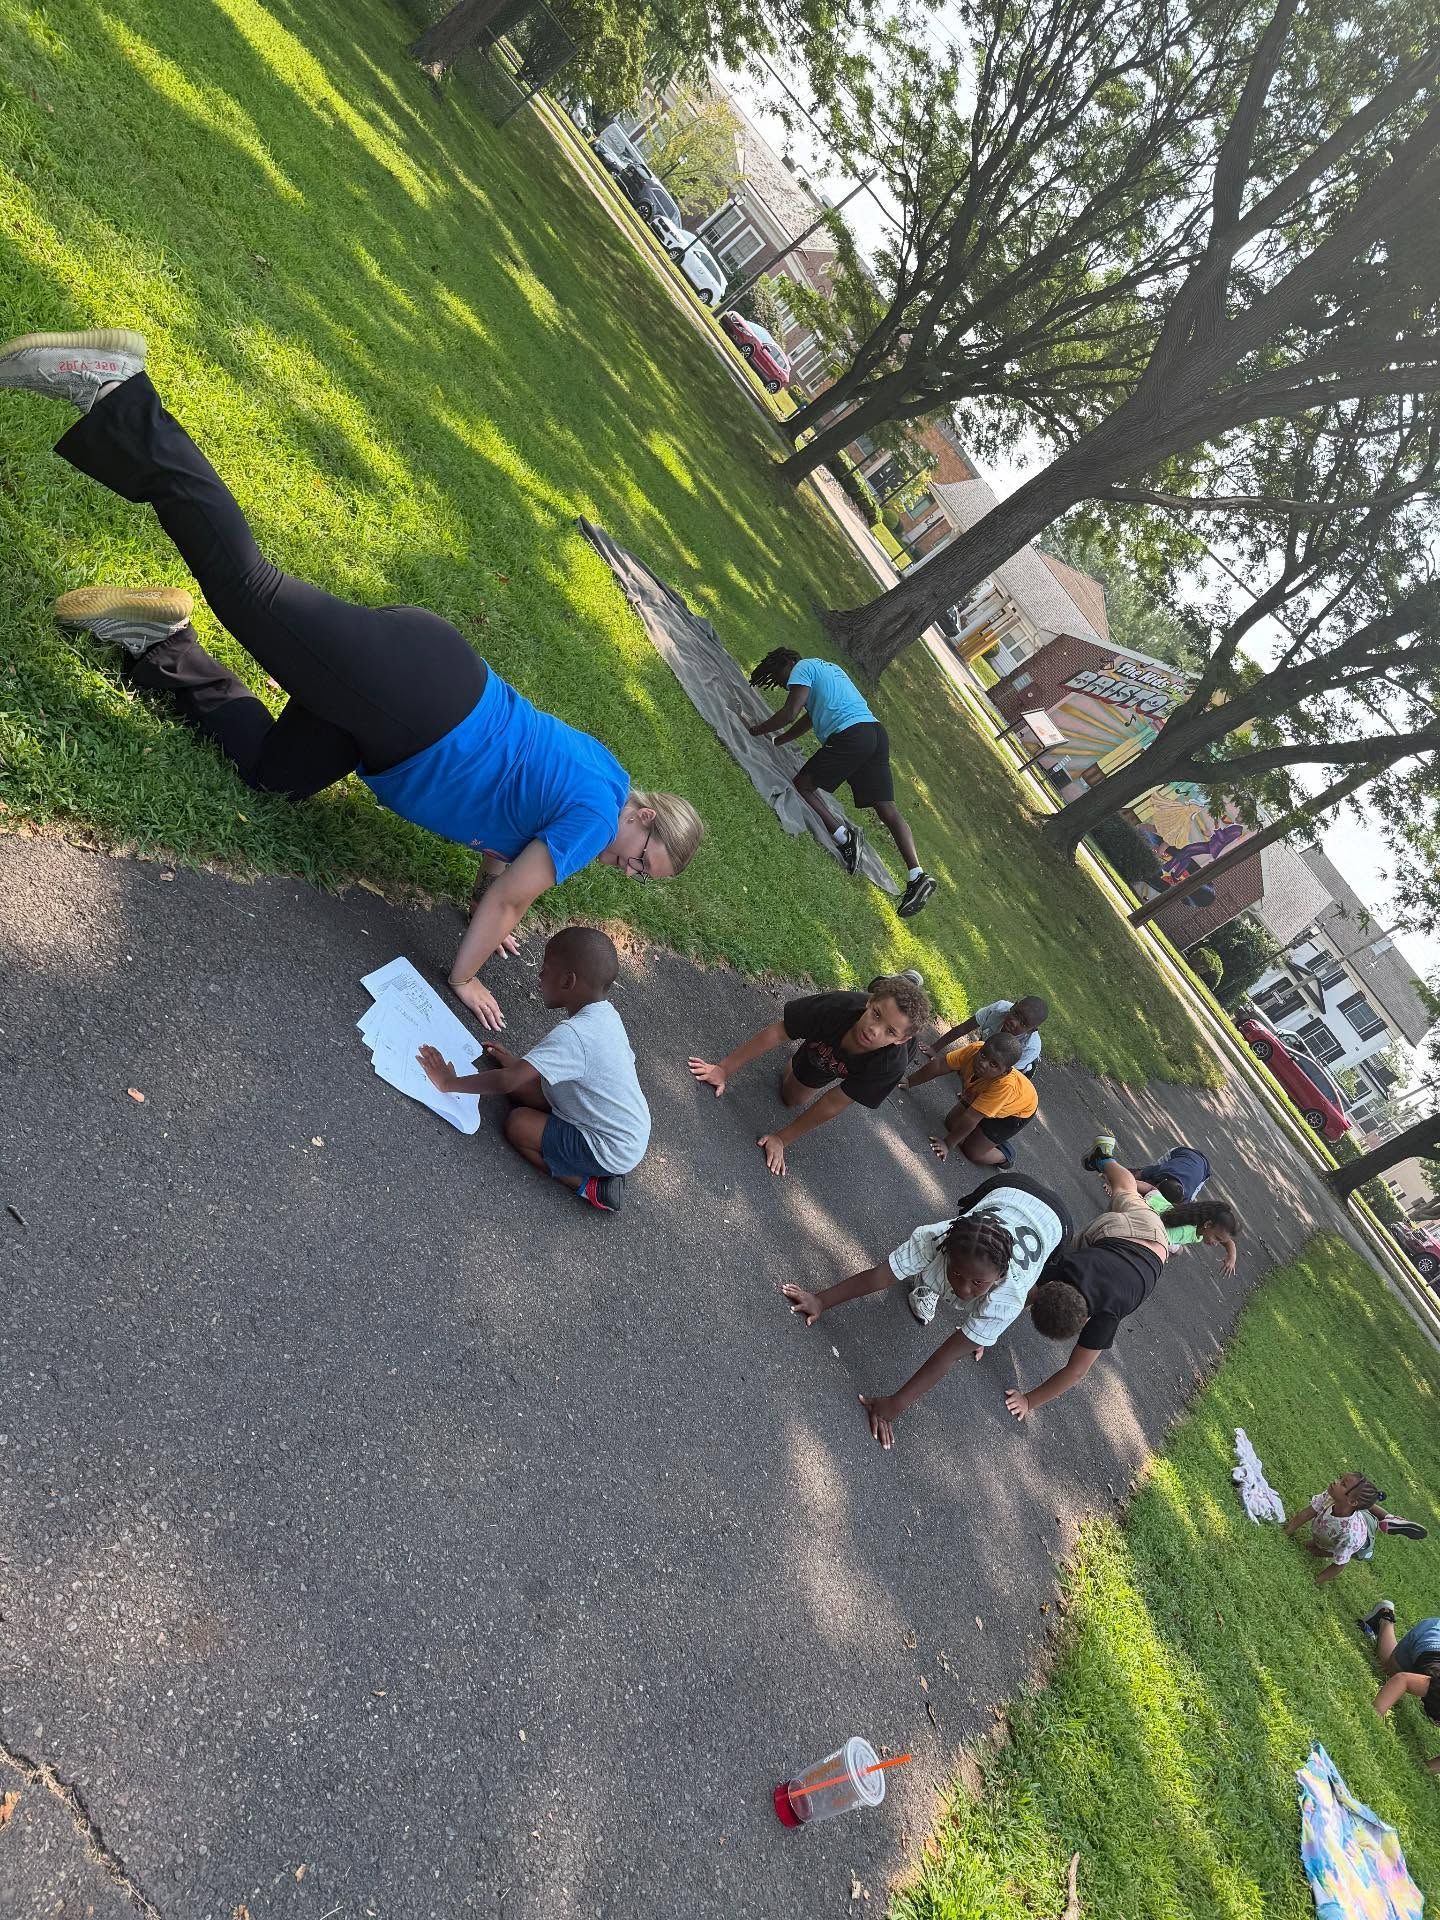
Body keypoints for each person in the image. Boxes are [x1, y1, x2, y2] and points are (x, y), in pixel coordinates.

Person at [0, 328, 703, 1033]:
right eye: (644, 859)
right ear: (643, 817)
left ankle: (160, 638)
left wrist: (486, 905)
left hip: (409, 705)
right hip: (414, 701)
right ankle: (118, 392)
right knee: (250, 588)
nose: (630, 871)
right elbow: (514, 899)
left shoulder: (599, 782)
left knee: (277, 774)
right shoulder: (592, 819)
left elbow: (502, 860)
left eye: (643, 877)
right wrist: (466, 973)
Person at [780, 1174, 1073, 1450]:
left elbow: (947, 1354)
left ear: (998, 1277)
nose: (964, 1288)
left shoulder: (1008, 1297)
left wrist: (896, 1404)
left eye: (978, 1283)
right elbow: (879, 1277)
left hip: (1056, 1223)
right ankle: (931, 1285)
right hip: (1008, 1189)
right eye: (955, 1273)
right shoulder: (936, 1238)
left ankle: (982, 1329)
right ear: (945, 1251)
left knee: (989, 1314)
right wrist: (820, 1300)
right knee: (965, 1239)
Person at [416, 926, 647, 1212]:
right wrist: (519, 1064)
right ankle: (574, 1150)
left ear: (568, 981)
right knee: (527, 1089)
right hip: (617, 1124)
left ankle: (591, 1187)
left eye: (545, 969)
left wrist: (448, 1082)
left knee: (519, 1125)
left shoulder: (575, 1035)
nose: (539, 976)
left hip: (606, 1146)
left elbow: (506, 1082)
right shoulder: (606, 1017)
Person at [745, 648, 935, 918]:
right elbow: (808, 719)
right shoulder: (826, 669)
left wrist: (756, 730)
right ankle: (917, 874)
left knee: (803, 784)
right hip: (875, 733)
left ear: (790, 662)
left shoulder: (802, 668)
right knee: (887, 810)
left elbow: (790, 713)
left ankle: (845, 837)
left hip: (852, 735)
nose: (785, 684)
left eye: (781, 677)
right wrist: (779, 740)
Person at [687, 974, 929, 1176]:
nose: (874, 1031)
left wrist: (782, 1139)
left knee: (799, 1091)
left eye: (889, 1031)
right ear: (870, 1001)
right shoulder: (836, 1006)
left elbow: (836, 1101)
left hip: (861, 1064)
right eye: (876, 1014)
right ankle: (900, 983)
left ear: (901, 1039)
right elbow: (779, 1033)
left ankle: (906, 984)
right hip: (835, 1037)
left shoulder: (891, 1066)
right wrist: (723, 1069)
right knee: (793, 1092)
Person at [1002, 1161, 1172, 1421]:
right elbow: (1077, 1371)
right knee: (1125, 1189)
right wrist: (1027, 1401)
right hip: (1137, 1236)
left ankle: (1105, 1161)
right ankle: (1105, 1160)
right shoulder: (1101, 1305)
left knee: (1124, 1190)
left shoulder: (1100, 1305)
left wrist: (984, 1333)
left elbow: (1028, 1293)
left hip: (1145, 1240)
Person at [1082, 1134, 1239, 1273]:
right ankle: (1106, 1163)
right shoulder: (1183, 1227)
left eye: (1219, 1240)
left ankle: (1107, 1166)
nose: (1216, 1243)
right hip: (1144, 1212)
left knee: (1178, 1250)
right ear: (1208, 1225)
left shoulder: (1194, 1215)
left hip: (1154, 1201)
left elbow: (1152, 1190)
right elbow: (1146, 1181)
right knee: (1132, 1185)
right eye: (1217, 1239)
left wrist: (1232, 1256)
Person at [904, 1031, 1038, 1166]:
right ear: (981, 1047)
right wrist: (909, 1082)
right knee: (951, 1123)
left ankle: (1006, 1155)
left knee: (972, 1152)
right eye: (984, 1054)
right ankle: (983, 1136)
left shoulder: (1004, 1086)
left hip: (1016, 1113)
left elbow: (972, 1117)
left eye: (993, 1064)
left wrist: (947, 1144)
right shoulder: (974, 1050)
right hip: (985, 1096)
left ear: (1005, 1072)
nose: (983, 1064)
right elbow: (939, 1065)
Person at [1285, 1475, 1429, 1584]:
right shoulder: (1331, 1496)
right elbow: (1306, 1513)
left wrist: (1316, 1581)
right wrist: (1286, 1532)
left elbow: (1339, 1564)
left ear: (1352, 1500)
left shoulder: (1349, 1536)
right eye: (1340, 1478)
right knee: (1361, 1503)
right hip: (1354, 1513)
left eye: (1342, 1484)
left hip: (1363, 1538)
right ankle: (1389, 1518)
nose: (1335, 1481)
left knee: (1314, 1549)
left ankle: (1379, 1533)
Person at [1358, 1603, 1440, 1768]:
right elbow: (1403, 1680)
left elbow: (1430, 1768)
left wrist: (1424, 1770)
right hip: (1431, 1637)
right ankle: (1385, 1617)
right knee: (1389, 1670)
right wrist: (1375, 1715)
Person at [929, 995, 1048, 1077]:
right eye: (1016, 1014)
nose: (1014, 1022)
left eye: (1023, 1024)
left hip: (1019, 1069)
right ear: (1013, 1006)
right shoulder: (999, 1008)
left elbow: (1007, 1075)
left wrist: (974, 1088)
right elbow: (964, 1028)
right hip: (992, 1042)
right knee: (972, 1066)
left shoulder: (1030, 1048)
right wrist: (934, 1048)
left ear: (1031, 1030)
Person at [1084, 1135, 1211, 1206]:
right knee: (1145, 1175)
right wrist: (1115, 1183)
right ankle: (1108, 1167)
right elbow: (1140, 1174)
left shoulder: (1186, 1198)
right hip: (1180, 1153)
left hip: (1204, 1171)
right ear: (1162, 1181)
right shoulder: (1162, 1170)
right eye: (1154, 1188)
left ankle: (1106, 1162)